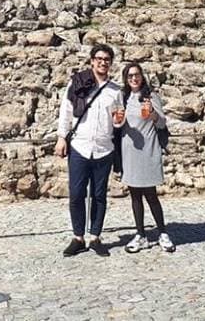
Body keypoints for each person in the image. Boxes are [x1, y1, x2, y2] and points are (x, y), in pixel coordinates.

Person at [55, 43, 124, 257]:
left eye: (107, 59)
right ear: (92, 60)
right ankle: (78, 237)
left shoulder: (115, 91)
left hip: (104, 148)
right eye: (100, 58)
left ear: (110, 64)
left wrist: (119, 121)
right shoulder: (77, 83)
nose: (103, 62)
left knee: (99, 195)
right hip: (80, 145)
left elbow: (118, 120)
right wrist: (61, 137)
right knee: (76, 194)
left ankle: (95, 237)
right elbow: (66, 111)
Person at [119, 62, 175, 253]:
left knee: (151, 194)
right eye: (130, 76)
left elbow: (161, 124)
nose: (134, 78)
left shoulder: (151, 97)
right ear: (126, 79)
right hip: (130, 150)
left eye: (137, 75)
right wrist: (117, 121)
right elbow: (117, 123)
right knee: (135, 195)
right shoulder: (123, 97)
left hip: (148, 149)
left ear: (142, 76)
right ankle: (141, 234)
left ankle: (162, 232)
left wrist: (152, 114)